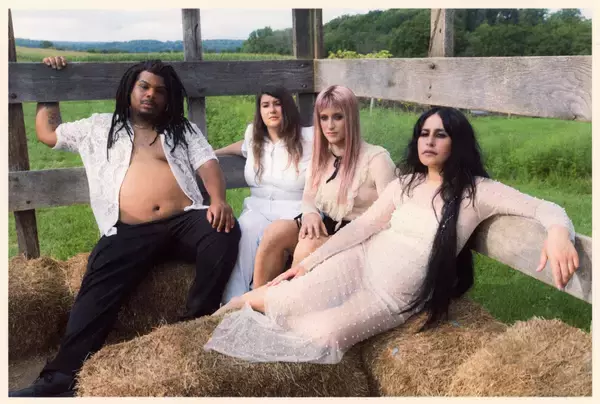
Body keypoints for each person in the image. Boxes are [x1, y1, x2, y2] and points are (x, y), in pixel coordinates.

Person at [204, 106, 579, 365]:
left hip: (393, 295)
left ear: (458, 142)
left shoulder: (477, 192)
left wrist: (559, 234)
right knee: (286, 298)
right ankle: (211, 322)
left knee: (325, 336)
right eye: (423, 134)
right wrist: (309, 264)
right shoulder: (406, 183)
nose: (429, 142)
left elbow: (545, 207)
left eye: (440, 135)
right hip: (359, 262)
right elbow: (364, 228)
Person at [10, 57, 241, 397]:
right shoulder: (100, 127)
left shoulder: (182, 129)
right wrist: (48, 91)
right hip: (130, 230)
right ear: (130, 90)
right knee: (96, 287)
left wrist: (218, 200)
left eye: (159, 91)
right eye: (144, 87)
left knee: (222, 231)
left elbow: (208, 163)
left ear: (168, 98)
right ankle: (60, 378)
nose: (150, 95)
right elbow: (48, 134)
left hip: (183, 221)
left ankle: (194, 322)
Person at [251, 85, 397, 287]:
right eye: (324, 118)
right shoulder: (321, 156)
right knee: (275, 231)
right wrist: (310, 213)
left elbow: (392, 214)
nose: (330, 125)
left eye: (338, 117)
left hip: (360, 240)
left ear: (351, 118)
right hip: (327, 227)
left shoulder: (376, 159)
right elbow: (309, 196)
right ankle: (255, 297)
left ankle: (285, 300)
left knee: (307, 246)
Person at [216, 87, 313, 303]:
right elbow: (243, 147)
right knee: (243, 232)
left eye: (277, 104)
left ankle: (258, 298)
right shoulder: (254, 136)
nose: (272, 110)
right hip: (257, 208)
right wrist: (212, 153)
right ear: (259, 111)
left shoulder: (308, 138)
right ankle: (233, 302)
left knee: (270, 237)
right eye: (265, 105)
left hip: (292, 210)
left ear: (287, 107)